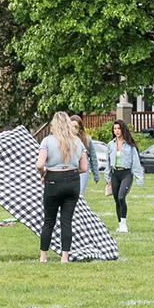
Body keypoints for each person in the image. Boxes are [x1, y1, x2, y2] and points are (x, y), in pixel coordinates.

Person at [36, 111, 88, 264]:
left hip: (53, 179)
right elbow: (84, 168)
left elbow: (39, 164)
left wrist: (43, 173)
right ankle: (65, 257)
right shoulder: (78, 142)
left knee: (49, 221)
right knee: (67, 221)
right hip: (72, 180)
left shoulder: (47, 141)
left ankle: (43, 257)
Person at [103, 119, 144, 233]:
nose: (117, 131)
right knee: (117, 200)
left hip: (126, 174)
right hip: (115, 174)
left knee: (121, 197)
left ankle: (124, 224)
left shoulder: (130, 145)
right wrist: (108, 178)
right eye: (115, 129)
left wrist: (139, 178)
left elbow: (136, 162)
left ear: (123, 130)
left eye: (119, 129)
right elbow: (108, 162)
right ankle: (120, 224)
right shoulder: (110, 145)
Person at [69, 115, 100, 199]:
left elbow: (93, 157)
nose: (73, 129)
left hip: (83, 170)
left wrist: (96, 175)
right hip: (70, 170)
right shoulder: (66, 140)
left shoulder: (86, 139)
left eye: (76, 127)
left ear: (80, 128)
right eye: (71, 126)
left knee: (80, 194)